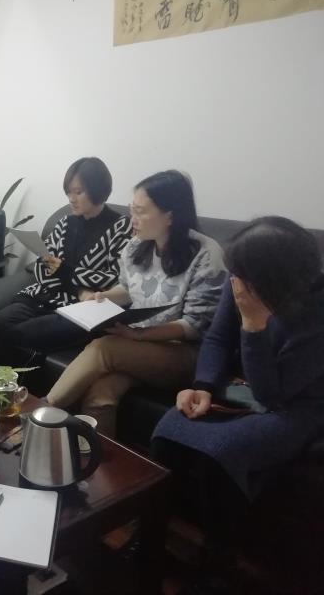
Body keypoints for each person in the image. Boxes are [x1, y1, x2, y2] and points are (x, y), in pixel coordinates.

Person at [151, 217, 324, 589]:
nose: (236, 283)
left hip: (298, 405)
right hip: (242, 387)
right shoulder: (244, 281)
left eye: (243, 276)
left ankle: (219, 561)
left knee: (222, 453)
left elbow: (272, 395)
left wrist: (254, 325)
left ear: (274, 278)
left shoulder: (317, 307)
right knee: (168, 431)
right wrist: (202, 386)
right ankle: (152, 535)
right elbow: (216, 338)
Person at [46, 170, 227, 437]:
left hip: (183, 353)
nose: (133, 219)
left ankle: (39, 414)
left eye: (140, 212)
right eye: (132, 210)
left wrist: (139, 335)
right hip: (139, 347)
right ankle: (97, 459)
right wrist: (103, 297)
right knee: (101, 395)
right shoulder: (136, 245)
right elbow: (129, 289)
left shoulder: (206, 254)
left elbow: (194, 325)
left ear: (170, 215)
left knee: (103, 348)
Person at [0, 157, 131, 368]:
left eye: (78, 192)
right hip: (42, 296)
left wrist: (67, 272)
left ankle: (11, 386)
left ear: (98, 190)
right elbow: (42, 266)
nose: (71, 199)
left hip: (77, 309)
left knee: (15, 337)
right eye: (68, 192)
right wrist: (76, 286)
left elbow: (115, 280)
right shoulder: (65, 222)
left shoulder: (121, 227)